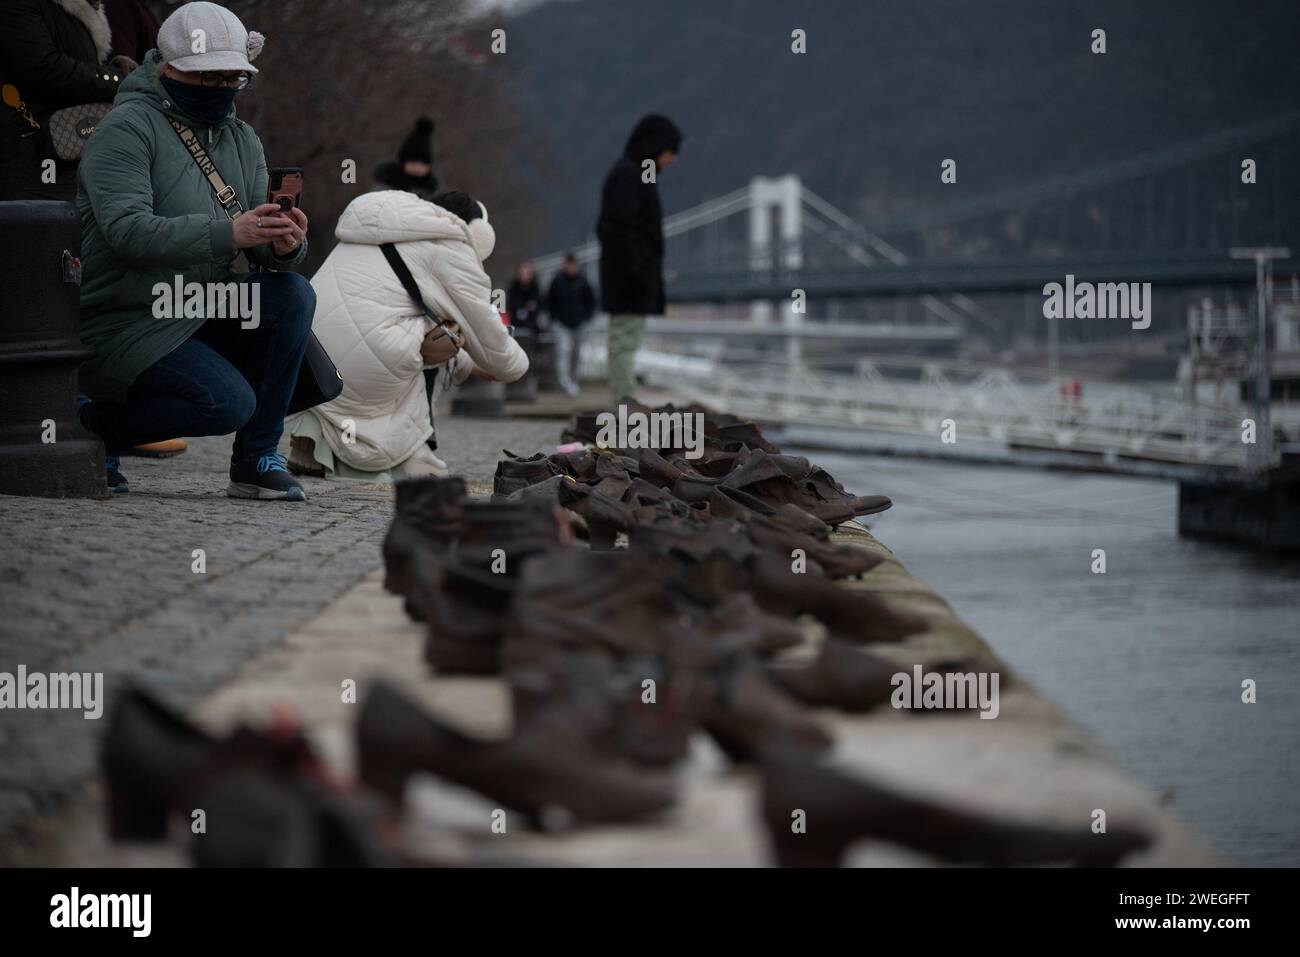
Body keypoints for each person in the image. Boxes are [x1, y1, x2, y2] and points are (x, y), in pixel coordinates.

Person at [74, 1, 314, 500]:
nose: (224, 90)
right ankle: (90, 427)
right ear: (167, 66)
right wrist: (231, 233)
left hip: (198, 303)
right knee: (225, 403)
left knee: (292, 292)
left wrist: (285, 242)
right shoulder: (125, 128)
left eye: (233, 79)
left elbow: (259, 242)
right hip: (129, 317)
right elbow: (127, 232)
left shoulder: (242, 138)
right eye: (209, 78)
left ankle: (257, 459)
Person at [285, 190, 528, 481]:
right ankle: (415, 457)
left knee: (406, 323)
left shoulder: (373, 224)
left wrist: (471, 365)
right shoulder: (451, 249)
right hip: (362, 372)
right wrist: (512, 365)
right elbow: (497, 350)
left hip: (312, 365)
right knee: (445, 338)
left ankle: (310, 443)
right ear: (477, 232)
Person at [0, 0, 127, 203]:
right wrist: (115, 78)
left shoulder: (82, 7)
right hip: (33, 151)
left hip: (71, 147)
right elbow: (45, 68)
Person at [596, 113, 682, 403]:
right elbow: (621, 230)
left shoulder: (637, 173)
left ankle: (625, 401)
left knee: (627, 341)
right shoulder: (631, 175)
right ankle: (624, 403)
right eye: (670, 152)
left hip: (631, 279)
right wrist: (638, 272)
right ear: (656, 148)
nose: (673, 160)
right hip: (630, 282)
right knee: (625, 341)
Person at [544, 253, 595, 397]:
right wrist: (554, 318)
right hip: (561, 324)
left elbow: (591, 301)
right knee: (563, 351)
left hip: (579, 323)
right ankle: (564, 382)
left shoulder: (583, 281)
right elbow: (549, 301)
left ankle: (574, 380)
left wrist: (587, 317)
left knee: (577, 354)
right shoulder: (557, 281)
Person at [373, 116, 438, 201]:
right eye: (413, 162)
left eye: (423, 163)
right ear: (403, 162)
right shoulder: (387, 186)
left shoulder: (432, 191)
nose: (417, 167)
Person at [506, 261, 543, 333]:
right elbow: (512, 304)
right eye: (523, 274)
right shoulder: (513, 287)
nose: (525, 276)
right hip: (516, 324)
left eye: (528, 274)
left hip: (532, 325)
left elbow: (538, 304)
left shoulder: (535, 287)